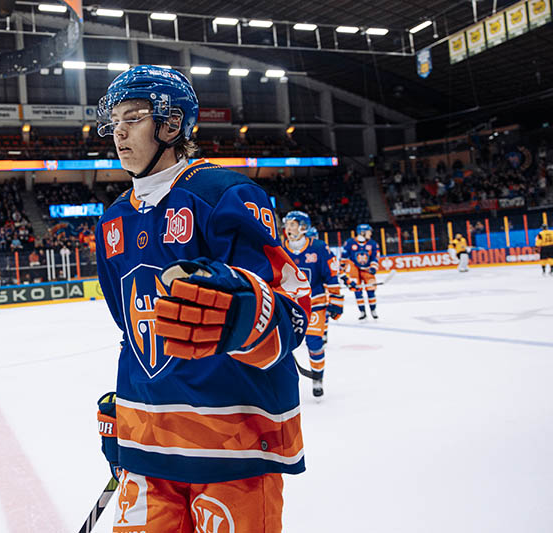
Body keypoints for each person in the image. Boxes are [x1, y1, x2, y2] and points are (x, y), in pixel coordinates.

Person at [93, 65, 311, 532]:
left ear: (172, 124)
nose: (119, 132)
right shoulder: (112, 220)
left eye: (133, 117)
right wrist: (128, 405)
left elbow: (292, 308)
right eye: (114, 121)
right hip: (148, 440)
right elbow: (132, 330)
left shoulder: (224, 194)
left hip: (233, 444)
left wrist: (254, 313)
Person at [282, 212, 343, 399]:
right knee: (281, 344)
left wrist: (336, 300)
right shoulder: (280, 248)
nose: (288, 228)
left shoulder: (318, 247)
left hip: (314, 302)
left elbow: (331, 275)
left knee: (315, 343)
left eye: (293, 224)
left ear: (303, 227)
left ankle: (317, 378)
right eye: (287, 224)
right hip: (288, 304)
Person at [341, 223, 381, 319]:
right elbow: (343, 259)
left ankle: (373, 309)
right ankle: (362, 311)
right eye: (368, 232)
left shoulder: (373, 244)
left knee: (371, 290)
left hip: (367, 269)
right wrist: (343, 274)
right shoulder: (349, 243)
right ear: (362, 233)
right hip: (354, 269)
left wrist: (373, 268)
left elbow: (375, 258)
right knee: (357, 290)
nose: (370, 233)